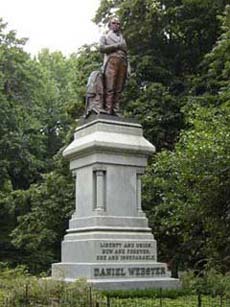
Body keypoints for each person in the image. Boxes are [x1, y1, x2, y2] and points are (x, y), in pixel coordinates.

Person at [99, 17, 128, 115]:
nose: (116, 25)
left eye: (118, 23)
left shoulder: (122, 38)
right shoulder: (105, 36)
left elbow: (126, 53)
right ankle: (108, 109)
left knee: (119, 88)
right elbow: (102, 48)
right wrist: (117, 46)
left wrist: (129, 68)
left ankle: (116, 110)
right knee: (110, 86)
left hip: (123, 62)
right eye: (114, 23)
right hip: (111, 61)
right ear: (110, 25)